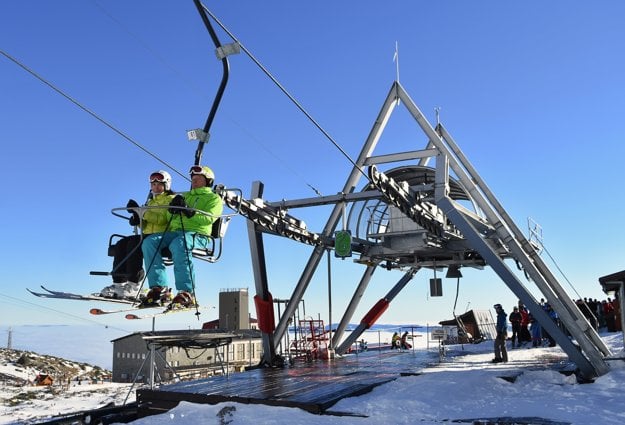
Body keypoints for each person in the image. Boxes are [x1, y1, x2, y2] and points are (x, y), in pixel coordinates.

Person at [141, 165, 223, 308]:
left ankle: (187, 292)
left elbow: (209, 219)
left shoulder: (213, 199)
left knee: (179, 244)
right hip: (175, 232)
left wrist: (190, 212)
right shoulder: (184, 196)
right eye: (193, 179)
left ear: (208, 181)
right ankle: (159, 288)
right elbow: (168, 216)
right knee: (149, 242)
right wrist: (172, 210)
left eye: (198, 179)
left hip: (198, 234)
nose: (194, 181)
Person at [99, 170, 175, 299]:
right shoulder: (150, 202)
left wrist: (142, 213)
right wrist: (137, 217)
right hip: (147, 234)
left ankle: (134, 284)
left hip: (162, 235)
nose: (155, 187)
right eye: (153, 185)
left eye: (159, 184)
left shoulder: (171, 200)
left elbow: (162, 220)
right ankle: (119, 283)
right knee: (122, 243)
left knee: (135, 244)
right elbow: (145, 224)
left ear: (166, 185)